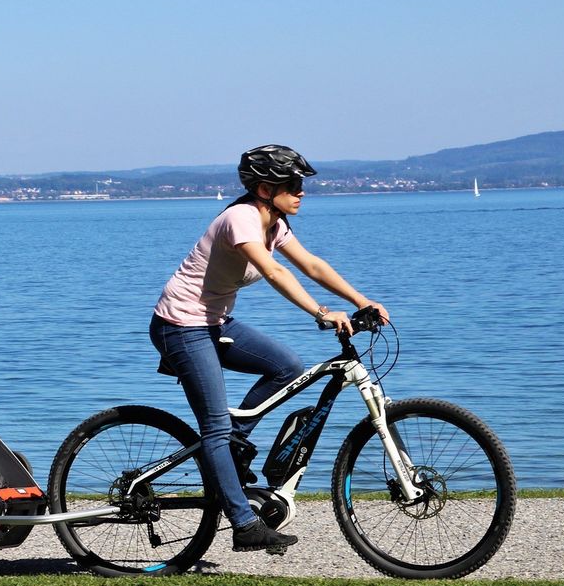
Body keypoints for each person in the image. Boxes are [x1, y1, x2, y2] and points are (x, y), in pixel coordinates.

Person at [150, 144, 389, 553]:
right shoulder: (240, 218)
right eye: (293, 184)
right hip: (181, 327)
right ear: (265, 188)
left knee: (288, 367)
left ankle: (230, 448)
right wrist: (320, 311)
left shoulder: (273, 223)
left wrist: (360, 300)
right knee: (215, 426)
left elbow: (311, 265)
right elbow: (274, 270)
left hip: (215, 323)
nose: (301, 192)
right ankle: (244, 524)